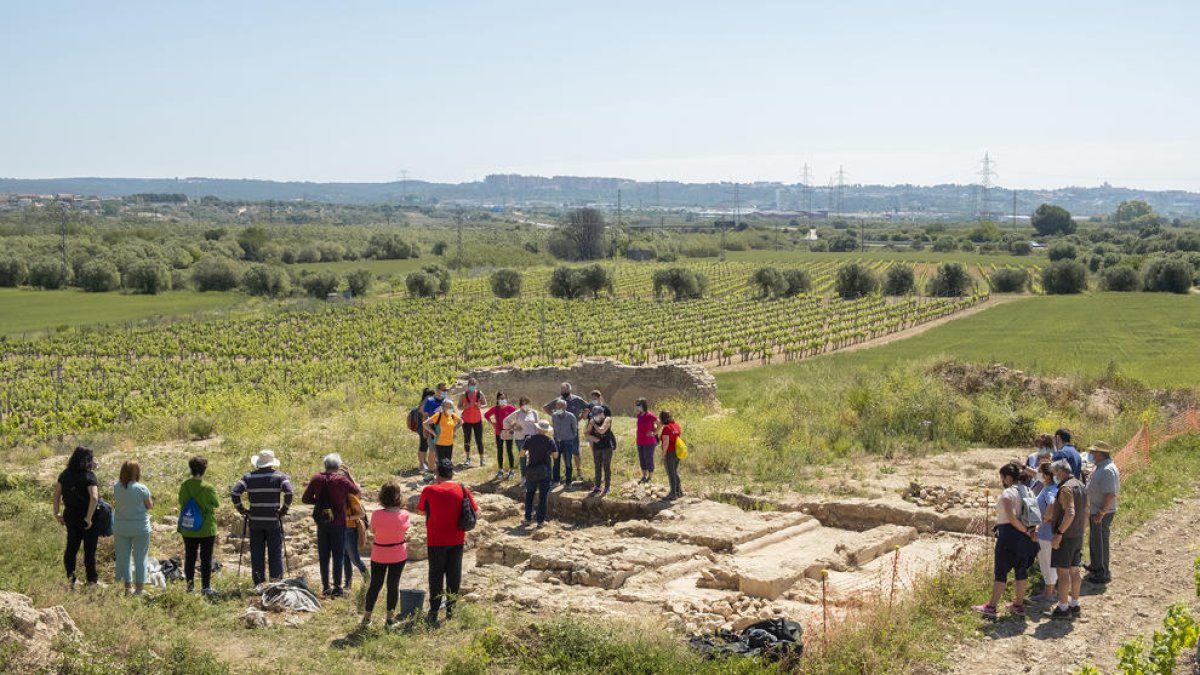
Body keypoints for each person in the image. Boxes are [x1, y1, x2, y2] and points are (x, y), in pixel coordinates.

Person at [972, 462, 1039, 618]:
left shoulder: (1008, 494)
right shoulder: (1029, 491)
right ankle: (1018, 604)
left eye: (1002, 477)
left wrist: (1022, 529)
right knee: (1021, 571)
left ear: (1008, 478)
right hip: (1027, 535)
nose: (1001, 481)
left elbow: (1011, 517)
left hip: (1010, 535)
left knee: (1001, 572)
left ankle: (992, 606)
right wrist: (1029, 532)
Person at [418, 459, 478, 626]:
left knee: (435, 575)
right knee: (454, 574)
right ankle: (451, 609)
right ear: (452, 473)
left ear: (437, 474)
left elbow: (421, 511)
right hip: (457, 539)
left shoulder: (429, 490)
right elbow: (474, 509)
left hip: (436, 540)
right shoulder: (462, 488)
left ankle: (434, 610)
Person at [301, 453, 361, 597]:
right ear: (339, 466)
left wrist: (320, 504)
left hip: (322, 522)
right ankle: (338, 587)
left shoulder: (316, 478)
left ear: (325, 465)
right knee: (338, 555)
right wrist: (349, 475)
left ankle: (326, 587)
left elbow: (305, 498)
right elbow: (357, 492)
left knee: (323, 555)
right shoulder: (341, 480)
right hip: (339, 522)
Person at [231, 449, 294, 587]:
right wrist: (284, 509)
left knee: (257, 553)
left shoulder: (248, 477)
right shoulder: (280, 477)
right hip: (273, 520)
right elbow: (289, 491)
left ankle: (259, 583)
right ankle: (276, 583)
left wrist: (242, 510)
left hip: (255, 521)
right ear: (272, 463)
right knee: (275, 552)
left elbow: (235, 492)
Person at [361, 479, 410, 628]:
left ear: (382, 496)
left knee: (375, 585)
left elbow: (373, 530)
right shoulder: (405, 514)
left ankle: (367, 617)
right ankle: (389, 619)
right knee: (393, 585)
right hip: (398, 553)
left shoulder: (376, 514)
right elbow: (404, 530)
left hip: (379, 553)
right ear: (398, 496)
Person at [54, 446, 100, 589]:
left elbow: (56, 495)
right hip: (87, 516)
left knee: (71, 547)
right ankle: (91, 580)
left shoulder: (64, 474)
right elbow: (94, 498)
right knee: (89, 549)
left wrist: (57, 513)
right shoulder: (89, 476)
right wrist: (89, 517)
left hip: (71, 515)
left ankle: (71, 578)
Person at [1047, 459, 1087, 620]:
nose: (1055, 476)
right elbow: (1086, 511)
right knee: (1075, 570)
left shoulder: (1066, 489)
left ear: (1061, 472)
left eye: (1055, 473)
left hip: (1066, 536)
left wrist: (1059, 533)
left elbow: (1070, 512)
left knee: (1062, 572)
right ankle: (1074, 604)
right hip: (1077, 534)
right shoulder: (1081, 485)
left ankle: (1063, 607)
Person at [178, 455, 220, 595]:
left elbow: (181, 501)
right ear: (204, 470)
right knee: (206, 558)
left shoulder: (184, 485)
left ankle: (190, 587)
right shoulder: (208, 487)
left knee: (190, 556)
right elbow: (216, 503)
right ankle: (206, 587)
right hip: (206, 528)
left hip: (188, 527)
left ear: (191, 469)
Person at [112, 460, 153, 596]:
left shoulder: (116, 487)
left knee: (123, 557)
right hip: (140, 527)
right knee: (140, 557)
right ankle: (139, 589)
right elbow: (149, 505)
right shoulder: (141, 488)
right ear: (136, 473)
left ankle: (126, 587)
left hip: (121, 526)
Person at [1084, 441, 1119, 585]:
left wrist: (1101, 512)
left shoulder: (1107, 470)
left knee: (1100, 542)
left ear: (1100, 454)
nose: (1091, 454)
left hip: (1102, 513)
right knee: (1095, 540)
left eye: (1093, 452)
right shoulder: (1102, 467)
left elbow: (1111, 494)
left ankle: (1102, 572)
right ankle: (1095, 565)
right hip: (1097, 511)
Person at [1031, 462, 1059, 602]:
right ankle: (1050, 590)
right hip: (1046, 532)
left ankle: (1049, 593)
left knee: (1047, 562)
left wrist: (1046, 517)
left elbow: (1053, 503)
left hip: (1045, 533)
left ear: (1047, 476)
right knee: (1047, 562)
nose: (1037, 473)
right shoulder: (1048, 487)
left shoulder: (1050, 490)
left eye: (1039, 471)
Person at [522, 420, 559, 527]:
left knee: (530, 494)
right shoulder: (550, 441)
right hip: (545, 471)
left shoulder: (529, 439)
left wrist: (530, 452)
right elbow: (556, 456)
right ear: (546, 430)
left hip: (532, 470)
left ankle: (528, 518)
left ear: (538, 428)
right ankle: (540, 521)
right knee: (543, 497)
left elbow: (522, 454)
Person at [504, 397, 540, 486]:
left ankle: (532, 477)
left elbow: (537, 425)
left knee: (532, 458)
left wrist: (539, 436)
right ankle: (523, 477)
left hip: (533, 438)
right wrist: (514, 428)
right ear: (520, 406)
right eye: (523, 404)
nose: (525, 406)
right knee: (523, 458)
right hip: (521, 439)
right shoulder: (517, 413)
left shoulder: (534, 413)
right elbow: (506, 421)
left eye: (526, 403)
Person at [484, 392, 517, 480]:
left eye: (504, 398)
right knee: (500, 451)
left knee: (509, 451)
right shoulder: (495, 408)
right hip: (499, 432)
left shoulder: (511, 408)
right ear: (497, 400)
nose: (502, 400)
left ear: (506, 399)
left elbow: (517, 417)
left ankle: (511, 470)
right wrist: (492, 423)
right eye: (500, 398)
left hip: (509, 432)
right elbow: (486, 415)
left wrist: (513, 427)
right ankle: (500, 470)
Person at [585, 405, 616, 497]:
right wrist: (592, 437)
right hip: (597, 447)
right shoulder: (592, 421)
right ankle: (597, 486)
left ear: (602, 413)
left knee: (606, 467)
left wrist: (593, 424)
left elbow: (602, 430)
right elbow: (586, 433)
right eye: (593, 415)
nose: (594, 417)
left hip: (606, 447)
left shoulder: (607, 419)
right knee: (597, 467)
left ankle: (607, 487)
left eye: (596, 415)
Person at [342, 492, 369, 592]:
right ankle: (348, 584)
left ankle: (368, 580)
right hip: (339, 530)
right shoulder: (333, 496)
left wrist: (347, 518)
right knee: (345, 559)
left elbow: (361, 514)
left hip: (349, 530)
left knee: (355, 559)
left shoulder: (351, 498)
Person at [458, 378, 488, 468]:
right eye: (471, 385)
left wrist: (480, 406)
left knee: (479, 440)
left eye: (474, 385)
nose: (473, 386)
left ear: (476, 385)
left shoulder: (479, 393)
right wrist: (465, 406)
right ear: (468, 385)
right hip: (466, 421)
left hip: (477, 420)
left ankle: (482, 459)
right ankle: (467, 459)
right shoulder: (463, 395)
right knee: (467, 440)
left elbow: (485, 404)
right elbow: (459, 406)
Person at [550, 399, 580, 487]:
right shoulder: (554, 416)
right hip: (556, 442)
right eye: (557, 406)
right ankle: (556, 480)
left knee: (568, 462)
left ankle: (568, 482)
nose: (558, 408)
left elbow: (575, 430)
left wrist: (569, 438)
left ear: (565, 407)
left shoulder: (571, 416)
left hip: (567, 442)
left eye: (561, 406)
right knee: (556, 462)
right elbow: (554, 427)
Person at [424, 399, 461, 464]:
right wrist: (433, 433)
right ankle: (441, 473)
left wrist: (454, 430)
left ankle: (448, 472)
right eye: (448, 406)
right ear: (443, 407)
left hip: (450, 442)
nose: (450, 408)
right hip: (440, 442)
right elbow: (425, 423)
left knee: (448, 461)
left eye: (451, 407)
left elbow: (461, 422)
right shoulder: (438, 415)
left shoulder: (452, 415)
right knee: (441, 461)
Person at [635, 398, 660, 484]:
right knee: (642, 459)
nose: (637, 407)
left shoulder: (650, 415)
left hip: (649, 442)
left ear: (644, 406)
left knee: (648, 458)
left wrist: (654, 433)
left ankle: (650, 477)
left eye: (639, 405)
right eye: (637, 405)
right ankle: (644, 476)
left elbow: (660, 424)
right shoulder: (639, 415)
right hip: (640, 441)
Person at [659, 411, 684, 500]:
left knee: (671, 473)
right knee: (674, 471)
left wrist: (663, 455)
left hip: (670, 453)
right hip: (677, 452)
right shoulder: (676, 425)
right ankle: (679, 491)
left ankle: (673, 494)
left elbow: (666, 442)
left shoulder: (666, 428)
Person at [414, 387, 436, 474]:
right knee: (423, 445)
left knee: (424, 445)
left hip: (423, 427)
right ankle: (422, 464)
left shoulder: (423, 402)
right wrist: (425, 430)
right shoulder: (425, 402)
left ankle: (424, 463)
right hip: (423, 427)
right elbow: (424, 417)